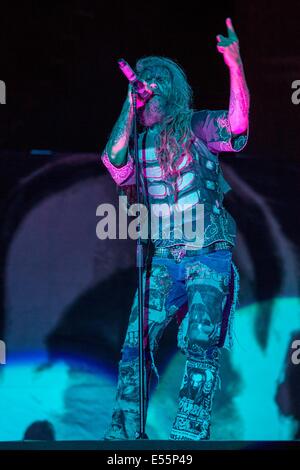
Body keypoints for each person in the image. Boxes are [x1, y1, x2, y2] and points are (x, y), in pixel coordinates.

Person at [100, 17, 250, 440]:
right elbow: (113, 161)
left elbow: (236, 124)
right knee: (135, 345)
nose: (151, 82)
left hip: (207, 250)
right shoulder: (138, 140)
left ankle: (190, 432)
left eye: (160, 77)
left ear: (176, 88)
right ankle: (126, 429)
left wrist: (235, 66)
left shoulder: (196, 125)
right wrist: (129, 104)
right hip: (163, 256)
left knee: (201, 344)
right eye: (145, 78)